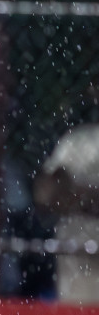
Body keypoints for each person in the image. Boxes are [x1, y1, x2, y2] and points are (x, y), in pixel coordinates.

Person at [35, 81, 99, 303]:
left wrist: (78, 196)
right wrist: (87, 200)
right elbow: (46, 195)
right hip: (79, 260)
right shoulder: (78, 141)